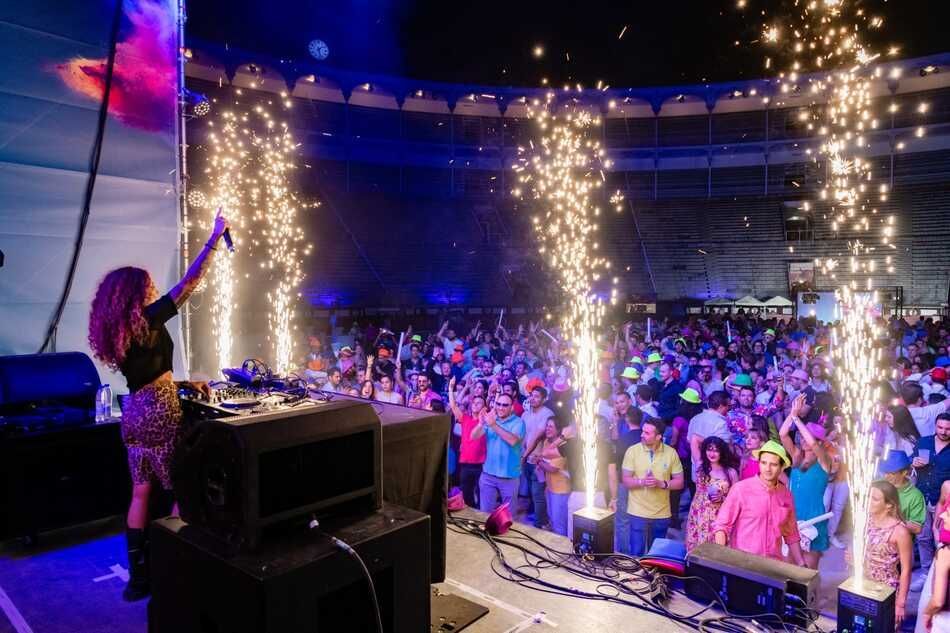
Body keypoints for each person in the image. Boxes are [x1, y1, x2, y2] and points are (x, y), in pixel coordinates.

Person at [87, 209, 229, 600]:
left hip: (133, 412)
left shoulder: (119, 332)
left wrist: (186, 381)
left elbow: (145, 375)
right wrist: (215, 237)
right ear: (138, 293)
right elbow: (192, 281)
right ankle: (177, 569)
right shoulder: (148, 319)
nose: (154, 292)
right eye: (149, 287)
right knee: (182, 486)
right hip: (160, 409)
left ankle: (139, 579)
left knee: (141, 493)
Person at [712, 440, 805, 565]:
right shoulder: (741, 489)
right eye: (763, 463)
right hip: (742, 563)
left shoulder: (786, 495)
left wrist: (801, 562)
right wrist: (721, 557)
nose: (767, 468)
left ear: (782, 467)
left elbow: (791, 533)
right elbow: (722, 526)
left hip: (772, 564)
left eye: (773, 464)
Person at [779, 396, 832, 570]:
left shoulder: (825, 461)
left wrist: (797, 419)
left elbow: (813, 445)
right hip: (792, 516)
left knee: (808, 572)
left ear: (820, 443)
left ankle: (810, 597)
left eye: (807, 436)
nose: (802, 439)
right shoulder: (796, 456)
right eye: (801, 436)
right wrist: (793, 413)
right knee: (788, 567)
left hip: (814, 518)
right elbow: (782, 434)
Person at [621, 419, 684, 556]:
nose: (642, 434)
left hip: (661, 513)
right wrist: (642, 482)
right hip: (637, 512)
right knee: (636, 554)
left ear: (659, 436)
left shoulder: (671, 453)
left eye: (647, 433)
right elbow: (626, 480)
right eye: (643, 431)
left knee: (656, 556)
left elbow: (680, 482)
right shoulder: (632, 451)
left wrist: (661, 484)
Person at [855, 481, 913, 629]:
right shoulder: (865, 521)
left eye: (874, 498)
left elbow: (906, 569)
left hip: (886, 592)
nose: (868, 501)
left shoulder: (900, 531)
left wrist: (901, 603)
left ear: (888, 505)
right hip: (863, 586)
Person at [471, 394, 525, 513]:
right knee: (484, 514)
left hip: (509, 477)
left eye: (505, 405)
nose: (500, 407)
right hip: (488, 475)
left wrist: (493, 425)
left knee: (507, 517)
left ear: (511, 408)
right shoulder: (491, 419)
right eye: (498, 404)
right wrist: (481, 423)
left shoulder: (518, 422)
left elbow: (513, 440)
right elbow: (473, 436)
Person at [686, 436, 738, 552]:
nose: (712, 453)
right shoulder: (701, 466)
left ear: (722, 452)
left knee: (715, 551)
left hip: (718, 516)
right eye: (709, 449)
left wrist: (722, 498)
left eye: (716, 450)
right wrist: (713, 440)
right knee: (696, 549)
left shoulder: (731, 472)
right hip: (698, 513)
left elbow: (736, 499)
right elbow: (694, 438)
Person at [915, 413, 950, 575]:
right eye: (940, 427)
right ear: (935, 426)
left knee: (942, 540)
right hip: (922, 497)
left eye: (948, 429)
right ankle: (925, 572)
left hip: (942, 500)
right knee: (923, 538)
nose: (943, 432)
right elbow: (911, 458)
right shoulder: (925, 442)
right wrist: (913, 462)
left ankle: (940, 575)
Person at [448, 376, 487, 508]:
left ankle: (481, 514)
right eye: (474, 403)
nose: (475, 405)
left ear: (484, 407)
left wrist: (497, 393)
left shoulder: (487, 423)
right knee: (466, 492)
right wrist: (450, 388)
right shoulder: (465, 418)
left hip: (480, 465)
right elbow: (453, 406)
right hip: (465, 464)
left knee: (481, 493)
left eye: (479, 403)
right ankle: (471, 512)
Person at [521, 386, 555, 528]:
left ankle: (540, 523)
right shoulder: (526, 414)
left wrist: (525, 455)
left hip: (539, 460)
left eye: (537, 396)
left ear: (544, 399)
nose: (533, 399)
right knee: (531, 490)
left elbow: (537, 437)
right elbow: (523, 435)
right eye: (532, 395)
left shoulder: (547, 414)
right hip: (526, 459)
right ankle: (539, 516)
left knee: (538, 493)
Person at [879, 450, 926, 539]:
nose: (886, 476)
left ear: (904, 473)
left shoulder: (915, 496)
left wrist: (892, 518)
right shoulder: (878, 484)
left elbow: (917, 528)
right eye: (885, 472)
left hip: (899, 546)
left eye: (891, 473)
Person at [536, 416, 571, 536]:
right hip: (550, 488)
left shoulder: (564, 446)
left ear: (559, 429)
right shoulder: (546, 442)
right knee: (552, 520)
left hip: (561, 491)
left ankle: (562, 550)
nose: (547, 429)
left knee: (559, 524)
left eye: (551, 426)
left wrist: (539, 461)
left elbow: (553, 468)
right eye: (546, 426)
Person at [687, 391, 734, 481]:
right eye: (728, 406)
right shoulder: (721, 423)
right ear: (721, 406)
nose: (729, 409)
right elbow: (724, 448)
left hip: (696, 474)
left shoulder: (695, 418)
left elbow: (689, 441)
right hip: (715, 477)